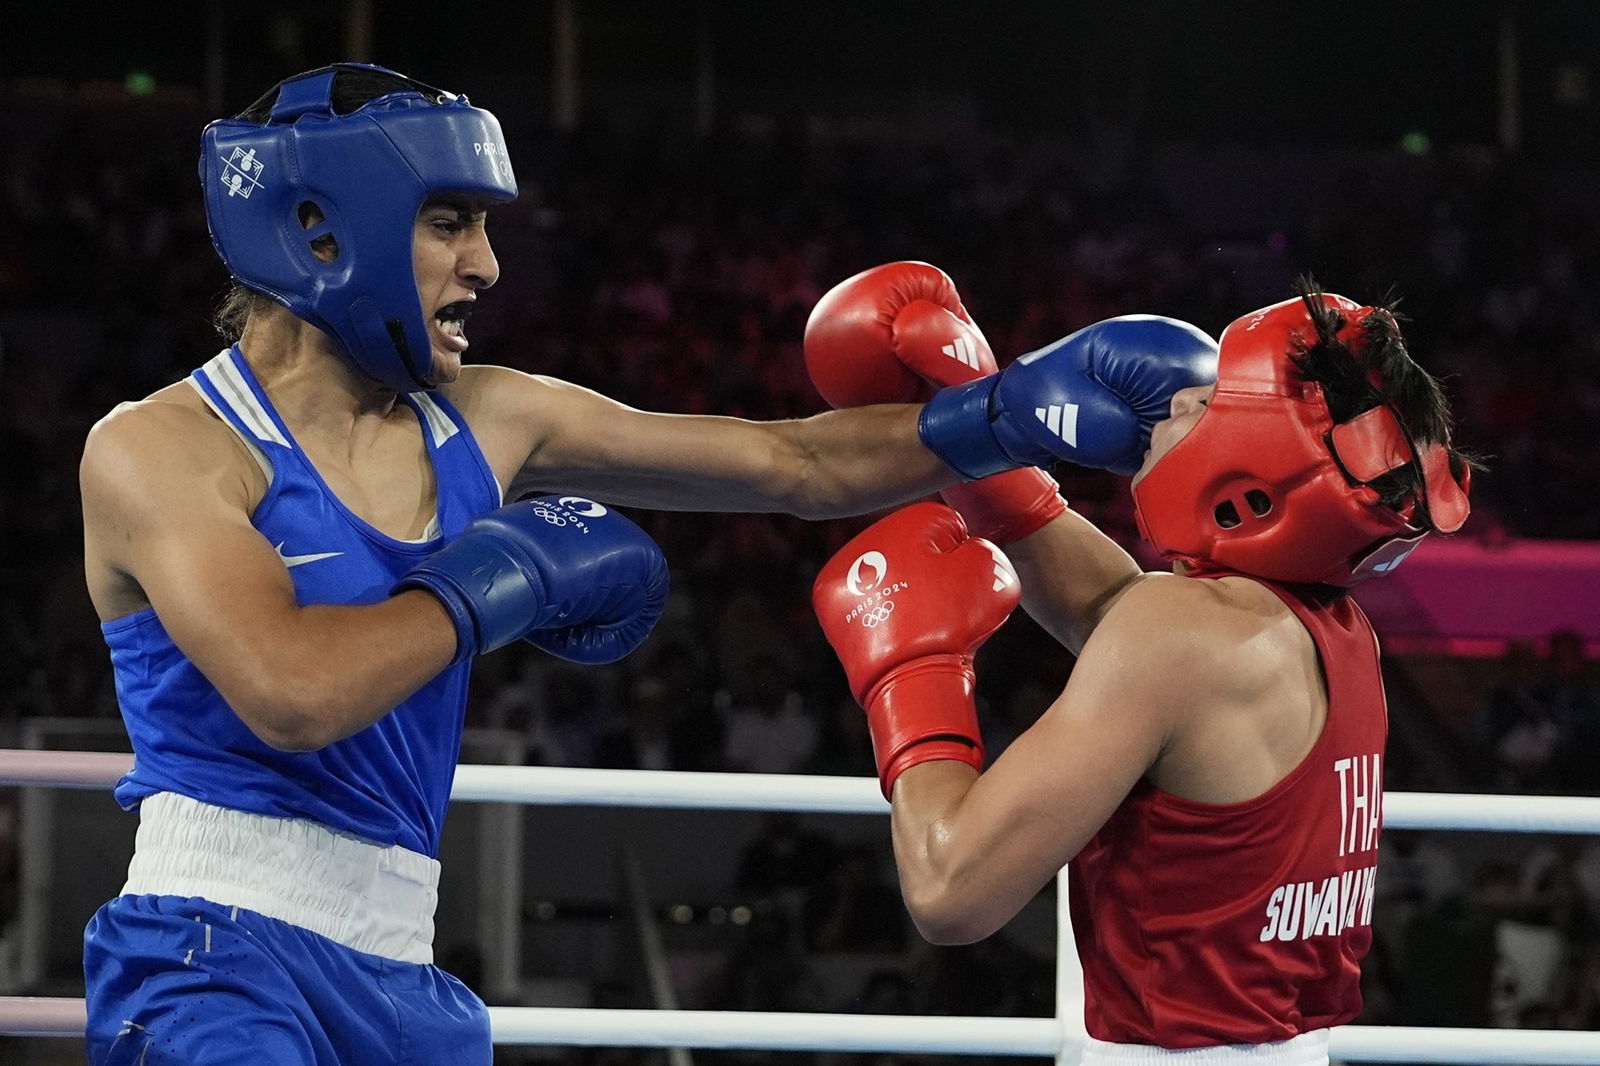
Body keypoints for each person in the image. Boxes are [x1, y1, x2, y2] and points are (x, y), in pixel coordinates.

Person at [79, 65, 1215, 1064]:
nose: (486, 264)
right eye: (450, 222)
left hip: (398, 964)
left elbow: (794, 466)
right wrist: (498, 578)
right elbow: (290, 691)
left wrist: (1009, 413)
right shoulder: (160, 448)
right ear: (325, 231)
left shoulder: (487, 416)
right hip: (211, 949)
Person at [806, 267, 1475, 1063]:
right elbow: (1111, 612)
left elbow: (950, 890)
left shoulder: (1181, 635)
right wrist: (974, 420)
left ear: (1251, 484)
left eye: (1218, 398)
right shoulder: (1329, 630)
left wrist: (912, 676)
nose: (1182, 399)